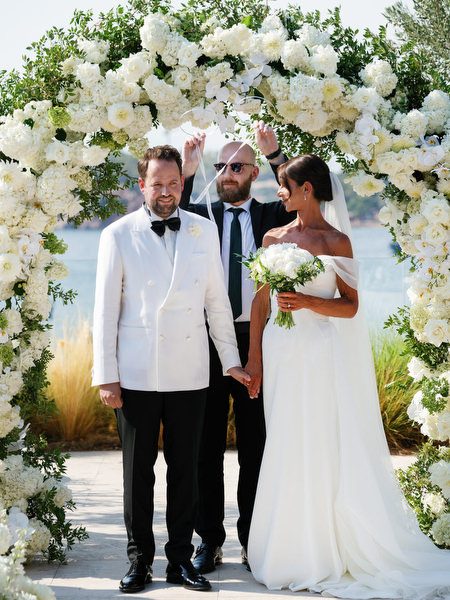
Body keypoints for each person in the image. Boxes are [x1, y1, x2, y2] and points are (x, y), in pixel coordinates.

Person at [246, 154, 450, 598]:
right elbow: (260, 302)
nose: (279, 191)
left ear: (308, 190)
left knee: (318, 439)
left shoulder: (336, 241)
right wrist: (254, 359)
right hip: (281, 354)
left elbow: (351, 305)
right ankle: (285, 546)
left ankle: (323, 550)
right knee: (283, 439)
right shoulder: (272, 236)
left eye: (286, 184)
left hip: (319, 351)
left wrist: (309, 303)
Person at [91, 145, 250, 594]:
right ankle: (140, 561)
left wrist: (231, 362)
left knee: (187, 470)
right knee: (137, 473)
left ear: (183, 182)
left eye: (173, 182)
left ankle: (180, 561)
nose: (165, 191)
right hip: (136, 373)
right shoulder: (117, 235)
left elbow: (217, 304)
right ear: (142, 185)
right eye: (156, 183)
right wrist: (106, 374)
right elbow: (104, 311)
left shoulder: (204, 229)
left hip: (190, 370)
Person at [179, 123, 295, 573]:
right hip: (208, 343)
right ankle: (209, 541)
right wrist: (189, 170)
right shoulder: (200, 216)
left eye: (237, 166)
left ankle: (254, 538)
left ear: (252, 173)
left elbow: (301, 200)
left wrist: (274, 154)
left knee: (256, 446)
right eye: (221, 166)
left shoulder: (272, 217)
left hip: (261, 343)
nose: (227, 173)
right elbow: (174, 206)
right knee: (205, 446)